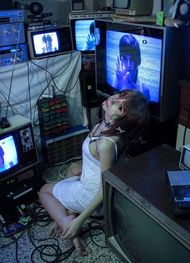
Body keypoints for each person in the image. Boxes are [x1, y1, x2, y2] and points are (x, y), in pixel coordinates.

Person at [39, 89, 150, 255]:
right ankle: (70, 210)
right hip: (91, 182)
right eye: (120, 97)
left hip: (94, 198)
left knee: (44, 191)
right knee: (73, 169)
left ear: (124, 120)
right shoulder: (109, 127)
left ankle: (67, 223)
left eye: (121, 108)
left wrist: (80, 222)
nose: (113, 101)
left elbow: (105, 187)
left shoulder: (106, 144)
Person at [115, 34, 150, 100]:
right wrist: (120, 85)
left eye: (132, 59)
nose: (128, 65)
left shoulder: (144, 89)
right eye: (125, 59)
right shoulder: (117, 80)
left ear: (137, 59)